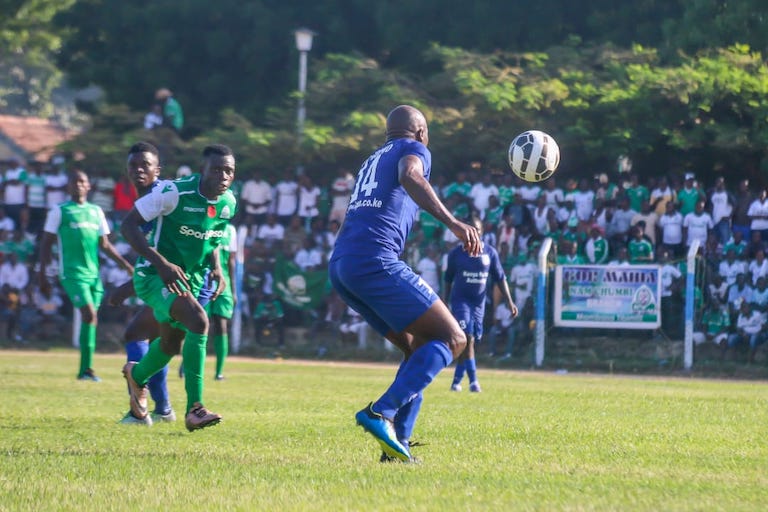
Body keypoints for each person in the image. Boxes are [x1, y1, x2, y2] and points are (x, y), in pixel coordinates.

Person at [329, 105, 483, 463]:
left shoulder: (372, 158)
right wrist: (455, 224)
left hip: (343, 265)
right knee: (453, 338)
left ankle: (397, 448)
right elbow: (412, 176)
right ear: (420, 132)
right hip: (375, 261)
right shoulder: (413, 150)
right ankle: (380, 412)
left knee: (420, 351)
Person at [120, 144, 236, 432]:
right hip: (153, 276)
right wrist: (161, 264)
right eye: (217, 170)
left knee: (170, 344)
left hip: (190, 280)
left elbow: (213, 239)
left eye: (229, 171)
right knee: (199, 321)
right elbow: (128, 226)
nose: (223, 176)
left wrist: (218, 267)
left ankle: (137, 375)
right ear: (202, 171)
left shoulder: (228, 203)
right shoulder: (173, 192)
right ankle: (195, 408)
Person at [107, 142, 181, 425]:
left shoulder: (163, 197)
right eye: (133, 166)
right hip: (166, 281)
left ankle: (143, 411)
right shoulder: (146, 200)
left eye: (145, 165)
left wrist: (127, 288)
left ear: (157, 169)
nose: (138, 169)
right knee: (156, 340)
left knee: (137, 336)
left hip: (179, 280)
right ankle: (162, 409)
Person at [39, 170, 134, 381]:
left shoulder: (96, 211)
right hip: (72, 274)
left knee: (91, 319)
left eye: (82, 181)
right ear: (68, 187)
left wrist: (127, 266)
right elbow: (46, 244)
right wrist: (43, 275)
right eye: (75, 182)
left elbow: (105, 245)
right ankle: (86, 370)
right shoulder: (59, 211)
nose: (79, 185)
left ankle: (86, 368)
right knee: (89, 314)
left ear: (89, 186)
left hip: (94, 275)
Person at [445, 216, 517, 393]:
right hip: (461, 301)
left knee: (471, 341)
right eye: (470, 229)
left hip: (478, 304)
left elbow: (500, 278)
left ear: (482, 231)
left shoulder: (490, 253)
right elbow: (448, 280)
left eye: (477, 229)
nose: (474, 232)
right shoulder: (456, 254)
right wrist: (445, 302)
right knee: (467, 338)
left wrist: (509, 301)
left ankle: (456, 381)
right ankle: (474, 382)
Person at [206, 222, 237, 381]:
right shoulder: (207, 223)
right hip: (203, 280)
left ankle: (219, 371)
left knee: (221, 324)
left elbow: (231, 261)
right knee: (198, 322)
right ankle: (187, 363)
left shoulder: (231, 230)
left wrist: (234, 289)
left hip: (224, 283)